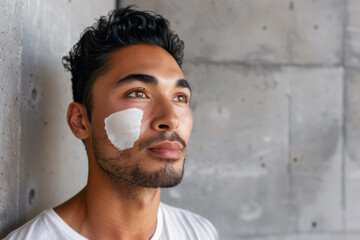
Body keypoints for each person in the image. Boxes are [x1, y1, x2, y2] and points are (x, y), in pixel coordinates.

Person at [4, 6, 219, 240]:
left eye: (180, 97)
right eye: (138, 93)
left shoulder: (199, 233)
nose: (171, 119)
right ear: (80, 122)